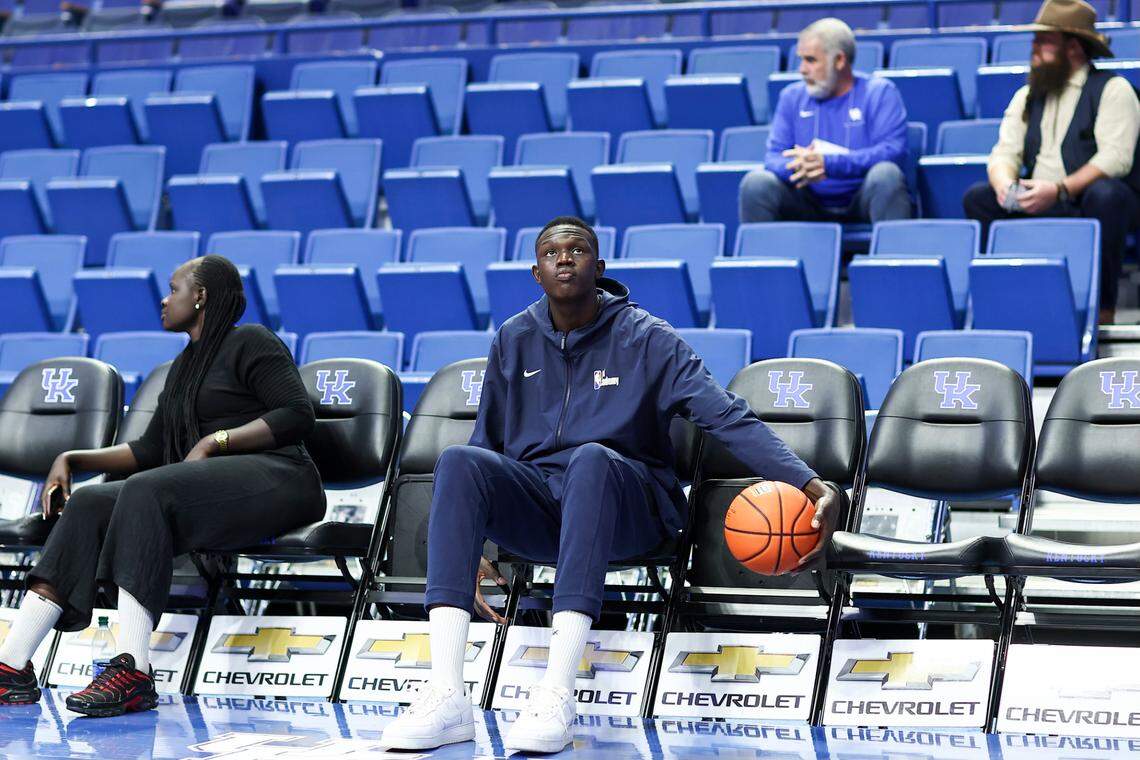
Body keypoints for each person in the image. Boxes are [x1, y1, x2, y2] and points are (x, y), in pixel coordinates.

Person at [381, 216, 839, 754]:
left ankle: (557, 690)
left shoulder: (647, 337)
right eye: (553, 253)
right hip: (543, 506)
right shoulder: (514, 337)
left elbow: (726, 415)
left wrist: (809, 483)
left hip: (630, 506)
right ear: (536, 271)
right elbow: (488, 442)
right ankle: (448, 695)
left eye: (578, 251)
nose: (566, 259)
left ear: (599, 269)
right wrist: (477, 546)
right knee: (459, 459)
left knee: (592, 460)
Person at [0, 255, 325, 717]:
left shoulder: (251, 341)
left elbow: (297, 414)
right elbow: (150, 449)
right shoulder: (183, 366)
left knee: (144, 489)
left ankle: (134, 671)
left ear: (201, 295)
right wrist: (71, 458)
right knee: (92, 501)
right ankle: (12, 666)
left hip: (280, 479)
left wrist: (217, 440)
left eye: (174, 288)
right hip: (210, 487)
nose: (164, 298)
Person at [963, 0, 1140, 324]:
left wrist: (1059, 189)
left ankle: (1102, 310)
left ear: (1073, 47)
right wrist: (1005, 186)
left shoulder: (1114, 89)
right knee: (979, 198)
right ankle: (1004, 303)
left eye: (1044, 41)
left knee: (1107, 195)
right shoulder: (1029, 95)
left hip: (1086, 198)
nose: (1034, 47)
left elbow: (1116, 159)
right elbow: (1004, 152)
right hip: (1041, 195)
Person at [739, 18, 912, 225]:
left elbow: (893, 151)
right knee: (756, 183)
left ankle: (891, 255)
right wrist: (803, 166)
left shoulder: (879, 93)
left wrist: (829, 164)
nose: (802, 69)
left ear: (839, 61)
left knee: (887, 175)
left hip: (862, 198)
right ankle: (762, 256)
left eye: (811, 60)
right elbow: (774, 158)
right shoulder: (791, 97)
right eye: (801, 59)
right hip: (807, 201)